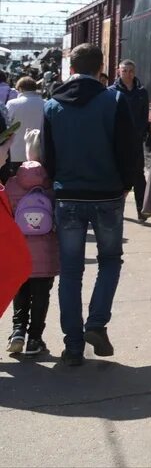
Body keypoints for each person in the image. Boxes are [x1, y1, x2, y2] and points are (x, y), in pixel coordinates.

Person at [43, 43, 141, 366]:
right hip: (107, 195)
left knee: (70, 271)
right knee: (110, 260)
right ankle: (96, 324)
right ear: (102, 68)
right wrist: (128, 184)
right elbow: (129, 149)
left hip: (68, 196)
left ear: (71, 68)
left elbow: (49, 156)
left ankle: (73, 346)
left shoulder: (52, 105)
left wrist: (59, 184)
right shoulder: (114, 100)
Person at [6, 131, 58, 357]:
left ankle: (17, 331)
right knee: (41, 295)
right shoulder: (50, 184)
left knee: (20, 290)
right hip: (45, 252)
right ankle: (35, 338)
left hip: (20, 250)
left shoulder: (12, 184)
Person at [113, 60, 151, 220]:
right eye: (124, 71)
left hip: (135, 141)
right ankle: (116, 209)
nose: (128, 74)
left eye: (131, 71)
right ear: (118, 72)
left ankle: (141, 210)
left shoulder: (141, 93)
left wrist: (141, 133)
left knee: (138, 175)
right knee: (117, 175)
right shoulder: (112, 92)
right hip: (118, 141)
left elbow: (144, 115)